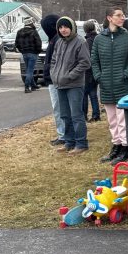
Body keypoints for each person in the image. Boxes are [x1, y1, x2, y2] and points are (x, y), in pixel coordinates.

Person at [91, 8, 128, 165]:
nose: (122, 18)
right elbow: (94, 61)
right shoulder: (99, 39)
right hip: (106, 86)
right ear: (109, 18)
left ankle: (126, 149)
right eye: (119, 15)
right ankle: (116, 146)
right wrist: (99, 77)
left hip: (124, 86)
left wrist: (125, 74)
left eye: (123, 15)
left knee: (122, 119)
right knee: (112, 120)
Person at [51, 17, 91, 154]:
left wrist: (70, 75)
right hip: (60, 84)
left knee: (76, 115)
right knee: (65, 115)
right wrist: (54, 73)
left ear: (72, 27)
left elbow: (85, 62)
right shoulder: (59, 42)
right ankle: (69, 141)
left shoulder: (80, 42)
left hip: (74, 84)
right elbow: (54, 60)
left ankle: (81, 143)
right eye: (61, 27)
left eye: (66, 27)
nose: (63, 30)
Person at [41, 14, 65, 146]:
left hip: (55, 79)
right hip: (51, 79)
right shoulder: (52, 39)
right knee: (58, 108)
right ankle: (62, 133)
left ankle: (63, 134)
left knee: (59, 108)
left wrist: (53, 75)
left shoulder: (57, 40)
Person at [15, 16, 43, 93]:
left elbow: (16, 44)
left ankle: (33, 85)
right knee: (30, 71)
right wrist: (38, 51)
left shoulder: (19, 32)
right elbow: (38, 43)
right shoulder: (34, 32)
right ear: (31, 23)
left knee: (29, 69)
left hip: (24, 53)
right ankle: (27, 87)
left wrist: (22, 50)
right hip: (33, 53)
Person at [82, 20, 100, 122]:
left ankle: (84, 115)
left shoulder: (87, 42)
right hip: (97, 71)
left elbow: (87, 58)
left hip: (88, 71)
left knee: (84, 94)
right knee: (93, 94)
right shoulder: (98, 39)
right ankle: (96, 115)